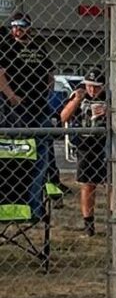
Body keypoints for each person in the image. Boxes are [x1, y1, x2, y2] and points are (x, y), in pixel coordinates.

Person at [0, 14, 58, 221]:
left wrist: (47, 91)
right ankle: (16, 204)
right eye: (14, 27)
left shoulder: (38, 48)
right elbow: (0, 73)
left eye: (21, 27)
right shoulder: (8, 48)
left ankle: (35, 207)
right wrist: (12, 96)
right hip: (18, 110)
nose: (18, 30)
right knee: (19, 156)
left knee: (42, 154)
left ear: (29, 28)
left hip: (38, 106)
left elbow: (50, 73)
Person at [58, 71, 109, 234]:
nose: (92, 90)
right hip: (86, 144)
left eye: (96, 87)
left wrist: (109, 112)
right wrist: (77, 100)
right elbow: (63, 117)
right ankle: (88, 223)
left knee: (113, 183)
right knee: (88, 184)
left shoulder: (110, 97)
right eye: (89, 86)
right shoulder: (78, 95)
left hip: (106, 143)